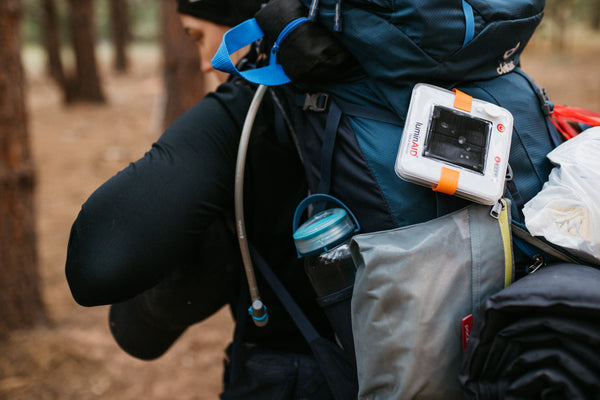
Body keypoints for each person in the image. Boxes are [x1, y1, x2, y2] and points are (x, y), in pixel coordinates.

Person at [65, 0, 336, 398]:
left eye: (197, 36)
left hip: (292, 375)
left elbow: (98, 271)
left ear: (244, 24)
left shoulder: (250, 108)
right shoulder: (377, 89)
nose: (207, 63)